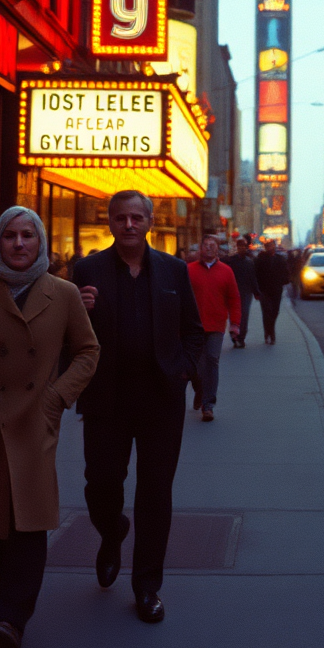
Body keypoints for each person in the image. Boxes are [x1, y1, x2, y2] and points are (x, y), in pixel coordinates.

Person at [0, 207, 99, 648]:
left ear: (40, 241)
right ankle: (4, 592)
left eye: (28, 235)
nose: (19, 243)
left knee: (30, 521)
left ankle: (13, 618)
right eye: (10, 235)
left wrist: (57, 397)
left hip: (37, 421)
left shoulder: (64, 294)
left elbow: (88, 351)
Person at [72, 191, 204, 624]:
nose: (129, 224)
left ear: (150, 221)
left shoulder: (173, 270)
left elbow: (193, 331)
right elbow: (69, 333)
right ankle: (112, 534)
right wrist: (81, 311)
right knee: (101, 483)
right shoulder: (86, 270)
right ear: (109, 222)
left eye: (137, 217)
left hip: (161, 401)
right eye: (120, 217)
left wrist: (184, 369)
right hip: (105, 400)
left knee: (155, 495)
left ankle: (147, 586)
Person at [186, 235, 242, 421]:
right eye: (206, 245)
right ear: (200, 249)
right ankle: (200, 391)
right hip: (193, 327)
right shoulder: (188, 270)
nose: (209, 248)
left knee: (211, 361)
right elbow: (180, 298)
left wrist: (235, 323)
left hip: (216, 326)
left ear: (217, 249)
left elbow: (234, 299)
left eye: (213, 245)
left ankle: (208, 405)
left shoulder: (226, 271)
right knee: (195, 366)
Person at [224, 237, 261, 348]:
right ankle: (235, 336)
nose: (241, 249)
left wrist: (256, 292)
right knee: (234, 316)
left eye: (243, 247)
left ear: (246, 247)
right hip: (233, 293)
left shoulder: (249, 262)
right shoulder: (231, 261)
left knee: (244, 316)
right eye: (239, 247)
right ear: (237, 248)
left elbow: (253, 278)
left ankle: (241, 337)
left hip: (246, 293)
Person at [253, 238, 290, 344]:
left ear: (275, 246)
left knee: (275, 311)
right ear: (265, 248)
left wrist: (283, 281)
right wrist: (256, 290)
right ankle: (270, 333)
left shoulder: (280, 259)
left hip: (276, 290)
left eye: (271, 246)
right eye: (268, 246)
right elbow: (255, 274)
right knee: (266, 312)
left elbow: (286, 273)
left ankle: (269, 330)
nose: (270, 248)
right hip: (264, 290)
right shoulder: (260, 259)